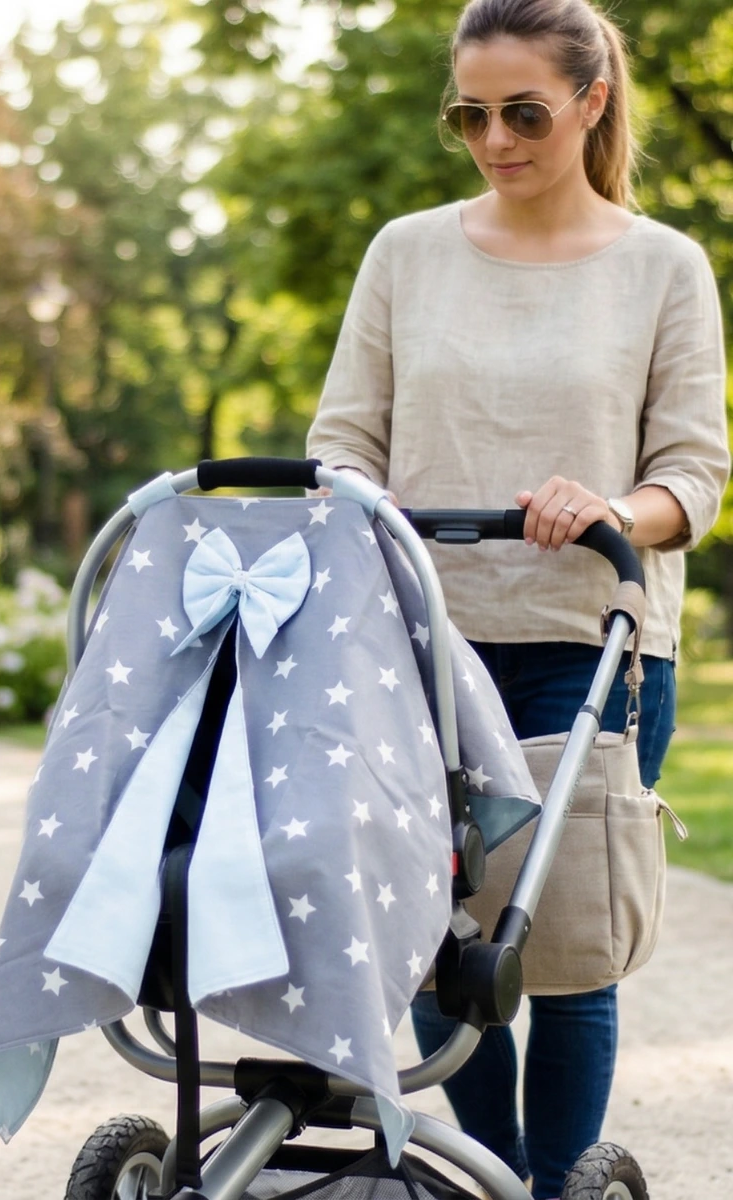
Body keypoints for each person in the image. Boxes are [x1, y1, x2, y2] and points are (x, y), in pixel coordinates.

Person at [306, 1, 729, 1195]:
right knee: (444, 945)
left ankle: (557, 1187)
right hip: (425, 642)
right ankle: (485, 1177)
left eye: (525, 115)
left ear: (592, 103)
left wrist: (609, 509)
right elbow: (343, 440)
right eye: (471, 116)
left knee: (567, 951)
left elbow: (693, 475)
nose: (496, 141)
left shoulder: (663, 267)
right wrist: (354, 497)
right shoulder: (405, 253)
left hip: (591, 641)